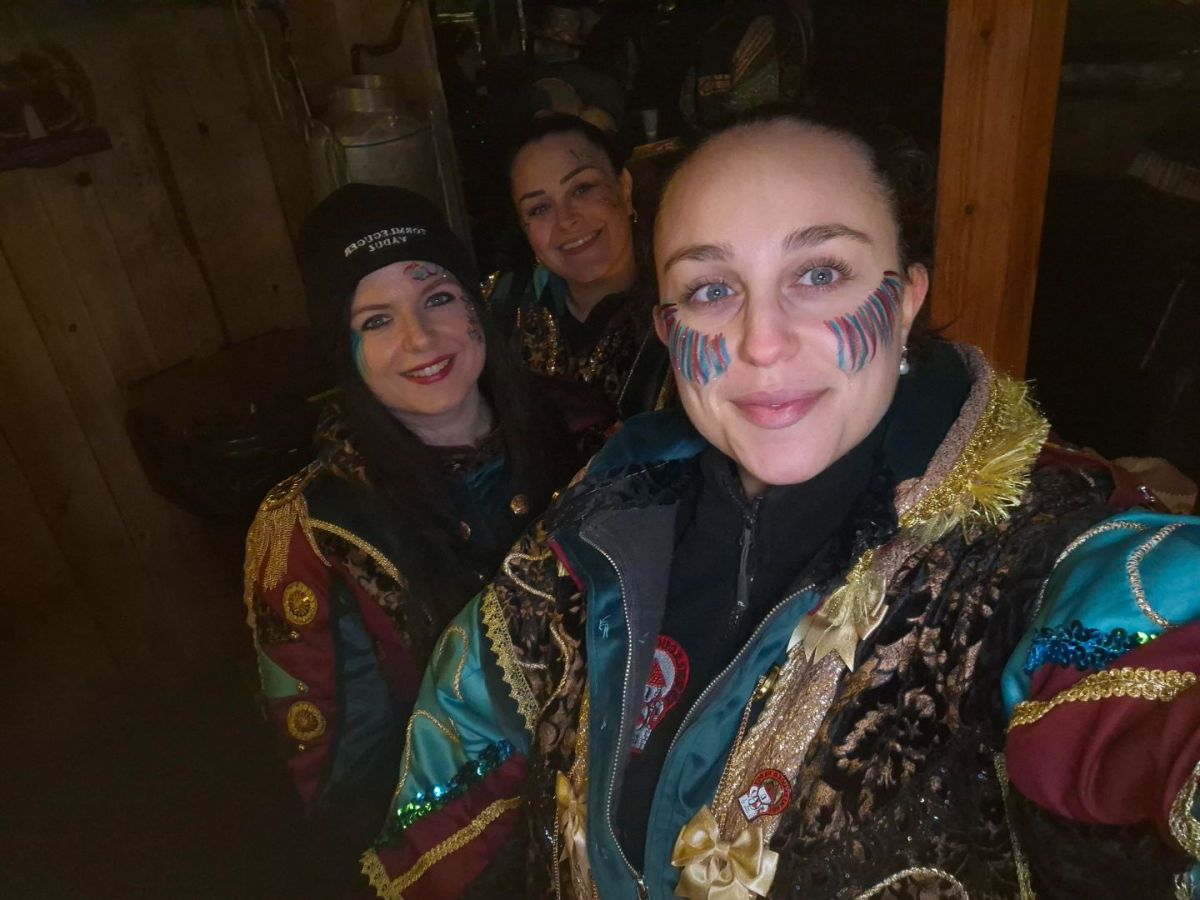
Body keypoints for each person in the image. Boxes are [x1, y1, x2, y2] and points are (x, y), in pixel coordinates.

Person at [361, 112, 1200, 898]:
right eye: (709, 289)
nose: (761, 342)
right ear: (668, 328)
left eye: (820, 274)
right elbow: (465, 737)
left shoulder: (1031, 556)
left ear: (906, 299)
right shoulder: (610, 510)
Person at [242, 184, 579, 865]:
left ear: (475, 303)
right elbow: (350, 792)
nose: (420, 339)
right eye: (375, 320)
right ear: (342, 348)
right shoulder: (317, 536)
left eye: (438, 298)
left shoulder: (588, 430)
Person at [492, 113, 651, 416]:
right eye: (539, 208)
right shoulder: (501, 312)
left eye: (582, 189)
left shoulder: (688, 302)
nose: (566, 220)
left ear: (625, 188)